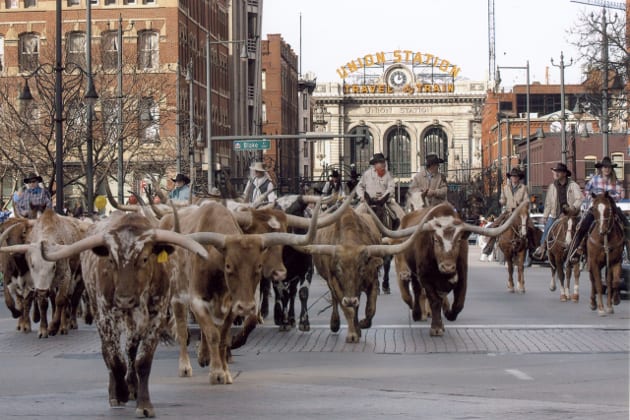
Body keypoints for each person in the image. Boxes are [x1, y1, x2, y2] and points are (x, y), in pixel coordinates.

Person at [567, 156, 629, 263]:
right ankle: (576, 250)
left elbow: (621, 194)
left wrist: (613, 198)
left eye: (609, 167)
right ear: (601, 168)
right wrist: (593, 198)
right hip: (596, 207)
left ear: (611, 169)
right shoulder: (595, 179)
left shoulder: (615, 181)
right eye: (605, 167)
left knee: (626, 224)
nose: (607, 169)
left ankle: (628, 250)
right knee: (582, 226)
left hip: (610, 207)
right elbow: (586, 192)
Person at [480, 167, 536, 261]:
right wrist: (502, 201)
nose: (514, 178)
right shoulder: (506, 188)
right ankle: (488, 248)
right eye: (512, 176)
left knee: (531, 227)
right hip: (508, 212)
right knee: (496, 226)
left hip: (520, 212)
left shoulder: (523, 188)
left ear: (519, 178)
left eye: (516, 176)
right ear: (510, 178)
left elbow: (526, 200)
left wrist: (522, 205)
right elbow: (503, 198)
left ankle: (532, 249)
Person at [532, 163, 582, 260]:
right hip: (556, 214)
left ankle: (580, 249)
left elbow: (579, 199)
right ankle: (542, 248)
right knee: (547, 228)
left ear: (564, 174)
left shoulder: (573, 185)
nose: (556, 173)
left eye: (558, 172)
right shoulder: (552, 186)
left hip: (570, 214)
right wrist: (545, 216)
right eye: (555, 172)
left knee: (580, 229)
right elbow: (548, 203)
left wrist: (573, 208)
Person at [355, 153, 403, 225]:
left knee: (402, 215)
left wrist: (383, 197)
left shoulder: (388, 175)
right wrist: (361, 196)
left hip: (384, 202)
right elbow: (359, 186)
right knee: (355, 216)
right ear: (375, 164)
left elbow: (391, 188)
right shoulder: (367, 174)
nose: (383, 164)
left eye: (383, 162)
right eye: (380, 162)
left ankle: (399, 232)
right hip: (369, 202)